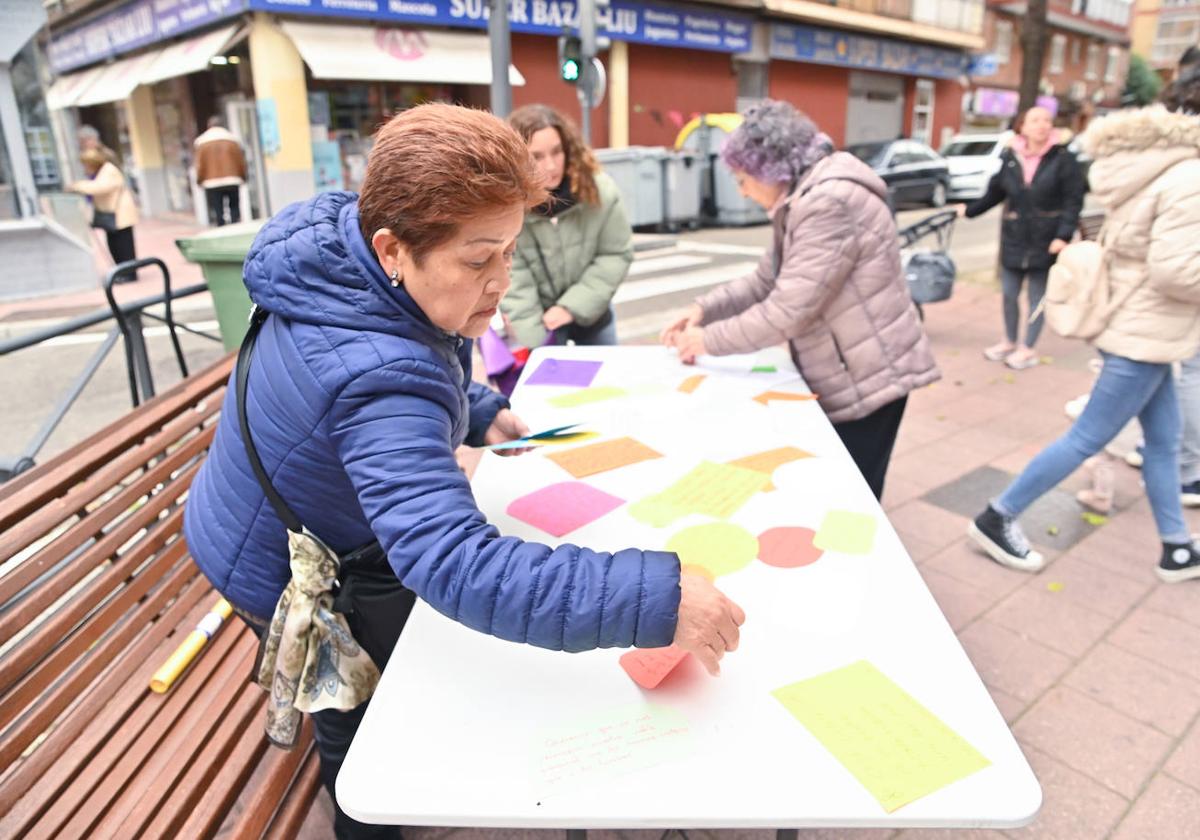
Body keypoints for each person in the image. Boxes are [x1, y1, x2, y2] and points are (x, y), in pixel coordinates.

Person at [182, 104, 744, 840]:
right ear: (392, 247)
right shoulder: (381, 386)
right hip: (281, 565)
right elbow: (453, 561)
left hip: (267, 511)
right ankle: (367, 823)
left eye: (510, 250)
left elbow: (393, 343)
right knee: (352, 720)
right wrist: (657, 596)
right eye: (479, 259)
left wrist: (476, 407)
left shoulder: (334, 246)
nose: (500, 281)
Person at [968, 85, 1200, 583]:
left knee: (1163, 442)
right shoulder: (1190, 176)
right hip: (1146, 330)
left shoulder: (1155, 166)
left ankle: (1177, 546)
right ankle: (998, 515)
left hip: (1143, 325)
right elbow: (1177, 271)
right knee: (1088, 436)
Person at [660, 99, 940, 500]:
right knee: (835, 490)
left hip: (869, 376)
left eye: (743, 178)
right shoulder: (803, 195)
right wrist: (704, 309)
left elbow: (787, 309)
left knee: (851, 498)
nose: (742, 191)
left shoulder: (827, 202)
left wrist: (707, 341)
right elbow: (766, 280)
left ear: (769, 168)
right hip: (850, 366)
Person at [959, 106, 1084, 370]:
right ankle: (1008, 341)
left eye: (1047, 120)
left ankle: (1027, 348)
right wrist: (968, 211)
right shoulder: (1011, 157)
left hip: (1046, 239)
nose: (1043, 125)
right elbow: (995, 193)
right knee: (1008, 293)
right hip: (1015, 237)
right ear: (1023, 126)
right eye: (1036, 120)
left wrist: (1063, 235)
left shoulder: (1063, 159)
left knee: (1036, 297)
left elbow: (1074, 201)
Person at [499, 104, 633, 348]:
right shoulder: (509, 206)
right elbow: (513, 275)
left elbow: (615, 254)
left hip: (592, 313)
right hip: (538, 320)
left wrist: (572, 307)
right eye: (537, 156)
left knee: (603, 382)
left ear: (569, 149)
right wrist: (535, 346)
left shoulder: (599, 192)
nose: (550, 166)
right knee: (546, 383)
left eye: (557, 152)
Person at [68, 147, 138, 270]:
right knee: (114, 245)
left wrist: (77, 186)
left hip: (120, 215)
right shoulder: (100, 173)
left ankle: (129, 273)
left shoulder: (108, 170)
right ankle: (121, 270)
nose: (85, 168)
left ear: (93, 164)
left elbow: (99, 188)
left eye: (86, 165)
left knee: (123, 247)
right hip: (112, 215)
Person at [194, 116, 248, 226]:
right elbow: (240, 161)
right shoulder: (233, 140)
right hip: (232, 179)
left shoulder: (202, 142)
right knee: (234, 207)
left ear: (209, 126)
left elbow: (200, 164)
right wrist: (243, 176)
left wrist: (199, 179)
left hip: (211, 182)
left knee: (218, 209)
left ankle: (221, 228)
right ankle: (235, 227)